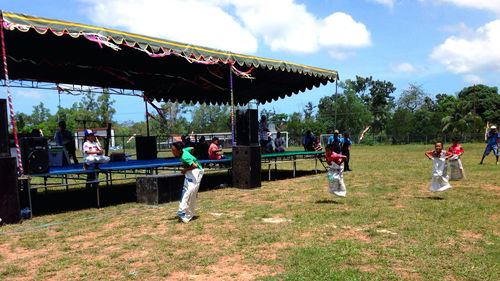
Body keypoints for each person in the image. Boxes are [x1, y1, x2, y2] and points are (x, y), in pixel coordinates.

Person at [172, 141, 204, 223]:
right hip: (190, 172)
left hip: (196, 171)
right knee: (187, 190)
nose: (172, 152)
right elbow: (192, 148)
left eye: (173, 150)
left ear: (179, 150)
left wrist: (185, 169)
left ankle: (185, 213)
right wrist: (192, 156)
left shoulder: (184, 156)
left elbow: (195, 165)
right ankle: (184, 211)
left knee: (191, 192)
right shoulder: (184, 150)